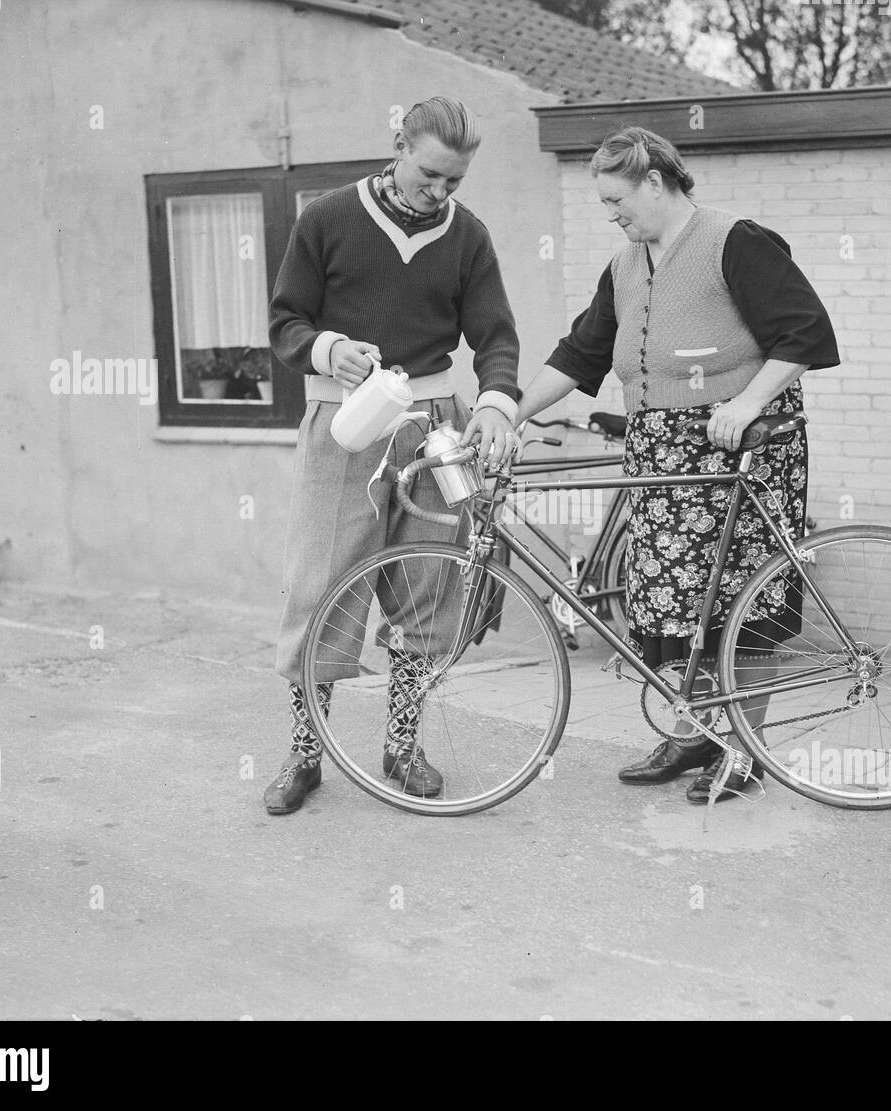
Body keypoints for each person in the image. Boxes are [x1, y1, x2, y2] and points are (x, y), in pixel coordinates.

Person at [514, 127, 840, 803]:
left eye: (617, 198)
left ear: (655, 182)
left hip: (737, 453)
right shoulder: (626, 262)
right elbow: (580, 355)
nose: (612, 213)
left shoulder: (737, 241)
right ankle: (695, 733)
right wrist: (511, 411)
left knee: (742, 609)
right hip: (663, 460)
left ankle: (744, 754)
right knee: (673, 604)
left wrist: (748, 401)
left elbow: (805, 331)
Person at [265, 97, 521, 815]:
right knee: (319, 585)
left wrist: (497, 400)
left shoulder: (468, 237)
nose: (440, 192)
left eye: (454, 182)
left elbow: (495, 336)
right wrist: (329, 349)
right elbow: (286, 319)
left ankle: (402, 745)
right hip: (346, 421)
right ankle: (305, 753)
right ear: (399, 144)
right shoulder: (327, 219)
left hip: (437, 423)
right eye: (430, 174)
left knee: (430, 587)